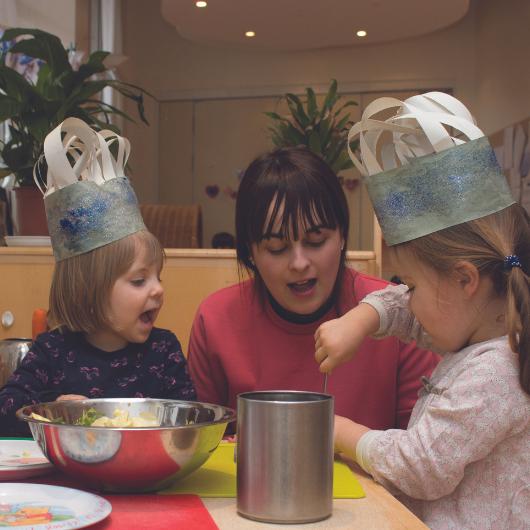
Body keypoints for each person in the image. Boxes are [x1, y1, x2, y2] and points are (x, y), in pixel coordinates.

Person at [315, 92, 530, 529]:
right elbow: (404, 310)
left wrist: (342, 433)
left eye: (410, 284)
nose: (404, 298)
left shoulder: (495, 374)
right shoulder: (478, 324)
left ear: (465, 280)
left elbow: (422, 467)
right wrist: (360, 320)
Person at [188, 145, 439, 430]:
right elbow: (204, 446)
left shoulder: (401, 314)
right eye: (276, 247)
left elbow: (424, 444)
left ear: (342, 235)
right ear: (250, 252)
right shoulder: (216, 320)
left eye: (316, 240)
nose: (299, 263)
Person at [0, 119, 195, 437]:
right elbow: (6, 410)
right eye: (139, 280)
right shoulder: (52, 351)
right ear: (88, 291)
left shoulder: (163, 350)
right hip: (65, 484)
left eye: (158, 276)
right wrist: (53, 410)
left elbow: (188, 422)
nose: (158, 289)